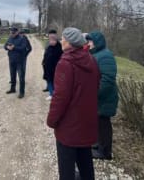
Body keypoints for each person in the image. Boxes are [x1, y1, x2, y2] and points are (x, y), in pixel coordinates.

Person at [47, 27, 100, 180]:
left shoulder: (65, 63)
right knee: (85, 161)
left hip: (69, 126)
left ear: (69, 42)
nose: (61, 41)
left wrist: (52, 120)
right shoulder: (91, 60)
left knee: (66, 168)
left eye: (63, 38)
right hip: (86, 122)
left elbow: (60, 98)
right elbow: (96, 87)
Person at [86, 31, 119, 161]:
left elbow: (108, 79)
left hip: (105, 98)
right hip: (98, 98)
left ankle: (105, 152)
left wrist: (95, 93)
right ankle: (98, 145)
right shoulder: (96, 54)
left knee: (104, 124)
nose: (88, 43)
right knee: (98, 122)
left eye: (90, 41)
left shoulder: (106, 56)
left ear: (97, 42)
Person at [4, 27, 27, 98]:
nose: (12, 34)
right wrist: (7, 47)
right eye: (11, 32)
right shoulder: (10, 38)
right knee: (12, 76)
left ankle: (22, 92)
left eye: (13, 33)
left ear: (17, 32)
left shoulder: (22, 39)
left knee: (21, 77)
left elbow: (23, 48)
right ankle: (12, 89)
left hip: (20, 61)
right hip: (11, 60)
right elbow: (5, 46)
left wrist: (14, 47)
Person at [42, 33, 63, 101]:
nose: (51, 42)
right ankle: (51, 94)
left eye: (53, 40)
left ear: (56, 40)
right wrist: (43, 61)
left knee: (55, 82)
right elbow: (46, 55)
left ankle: (56, 95)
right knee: (49, 81)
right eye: (50, 40)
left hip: (56, 68)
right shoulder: (49, 47)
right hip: (48, 68)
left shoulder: (60, 48)